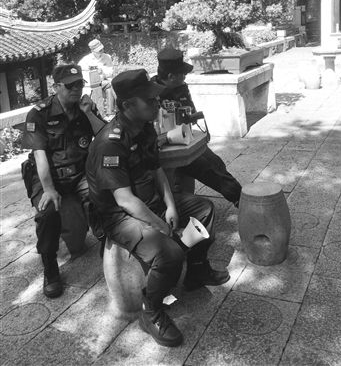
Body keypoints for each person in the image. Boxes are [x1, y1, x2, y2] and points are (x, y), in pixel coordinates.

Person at [86, 69, 229, 347]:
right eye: (149, 100)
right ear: (128, 105)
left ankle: (197, 270)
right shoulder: (109, 144)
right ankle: (150, 310)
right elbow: (125, 201)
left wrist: (171, 205)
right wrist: (161, 226)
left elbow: (157, 170)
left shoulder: (145, 128)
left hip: (149, 202)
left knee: (204, 209)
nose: (157, 104)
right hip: (119, 216)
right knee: (169, 252)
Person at [22, 64, 105, 299]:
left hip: (79, 174)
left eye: (79, 84)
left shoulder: (85, 107)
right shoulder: (39, 114)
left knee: (105, 195)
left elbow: (105, 136)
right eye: (70, 86)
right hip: (49, 177)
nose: (76, 89)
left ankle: (108, 244)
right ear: (56, 87)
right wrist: (48, 189)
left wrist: (89, 113)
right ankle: (50, 268)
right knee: (46, 214)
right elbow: (40, 156)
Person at [152, 47, 242, 206]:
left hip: (184, 140)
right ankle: (241, 199)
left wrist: (187, 117)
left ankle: (240, 198)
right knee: (207, 168)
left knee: (216, 162)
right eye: (182, 73)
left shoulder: (181, 87)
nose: (185, 76)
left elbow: (191, 114)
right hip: (163, 148)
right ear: (171, 76)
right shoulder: (151, 94)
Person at [78, 39, 115, 116]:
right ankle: (101, 113)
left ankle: (109, 112)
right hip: (91, 83)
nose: (101, 51)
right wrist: (91, 71)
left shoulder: (107, 57)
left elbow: (110, 72)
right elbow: (79, 70)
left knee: (109, 87)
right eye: (99, 50)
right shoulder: (86, 60)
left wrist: (102, 72)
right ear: (92, 51)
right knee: (100, 88)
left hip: (103, 81)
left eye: (102, 49)